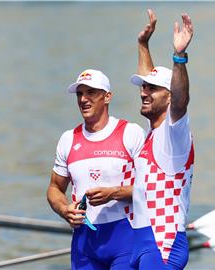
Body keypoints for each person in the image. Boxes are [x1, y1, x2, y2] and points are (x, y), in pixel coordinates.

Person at [47, 69, 145, 269]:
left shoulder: (131, 133)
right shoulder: (68, 139)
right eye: (79, 94)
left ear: (107, 96)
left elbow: (152, 188)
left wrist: (114, 193)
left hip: (126, 238)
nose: (83, 99)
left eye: (91, 92)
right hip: (84, 243)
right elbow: (55, 188)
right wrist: (64, 209)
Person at [129, 10, 194, 270]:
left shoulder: (174, 134)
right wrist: (143, 45)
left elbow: (180, 101)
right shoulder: (153, 131)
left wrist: (179, 57)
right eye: (143, 87)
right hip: (142, 243)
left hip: (162, 244)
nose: (144, 93)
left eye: (152, 89)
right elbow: (152, 81)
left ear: (168, 97)